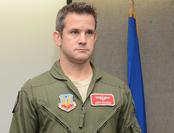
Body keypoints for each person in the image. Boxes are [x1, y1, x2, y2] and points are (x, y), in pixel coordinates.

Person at [9, 2, 141, 133]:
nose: (83, 40)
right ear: (58, 38)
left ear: (95, 38)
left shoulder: (118, 90)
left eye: (89, 32)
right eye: (74, 32)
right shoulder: (34, 91)